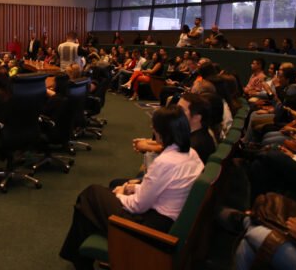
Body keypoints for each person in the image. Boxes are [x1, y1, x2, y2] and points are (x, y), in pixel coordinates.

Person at [59, 105, 203, 270]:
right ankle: (79, 258)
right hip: (164, 219)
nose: (152, 129)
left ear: (163, 132)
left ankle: (78, 259)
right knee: (90, 203)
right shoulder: (192, 154)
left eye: (154, 127)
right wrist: (133, 189)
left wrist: (120, 194)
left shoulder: (166, 162)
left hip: (150, 228)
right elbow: (162, 191)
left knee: (90, 194)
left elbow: (138, 206)